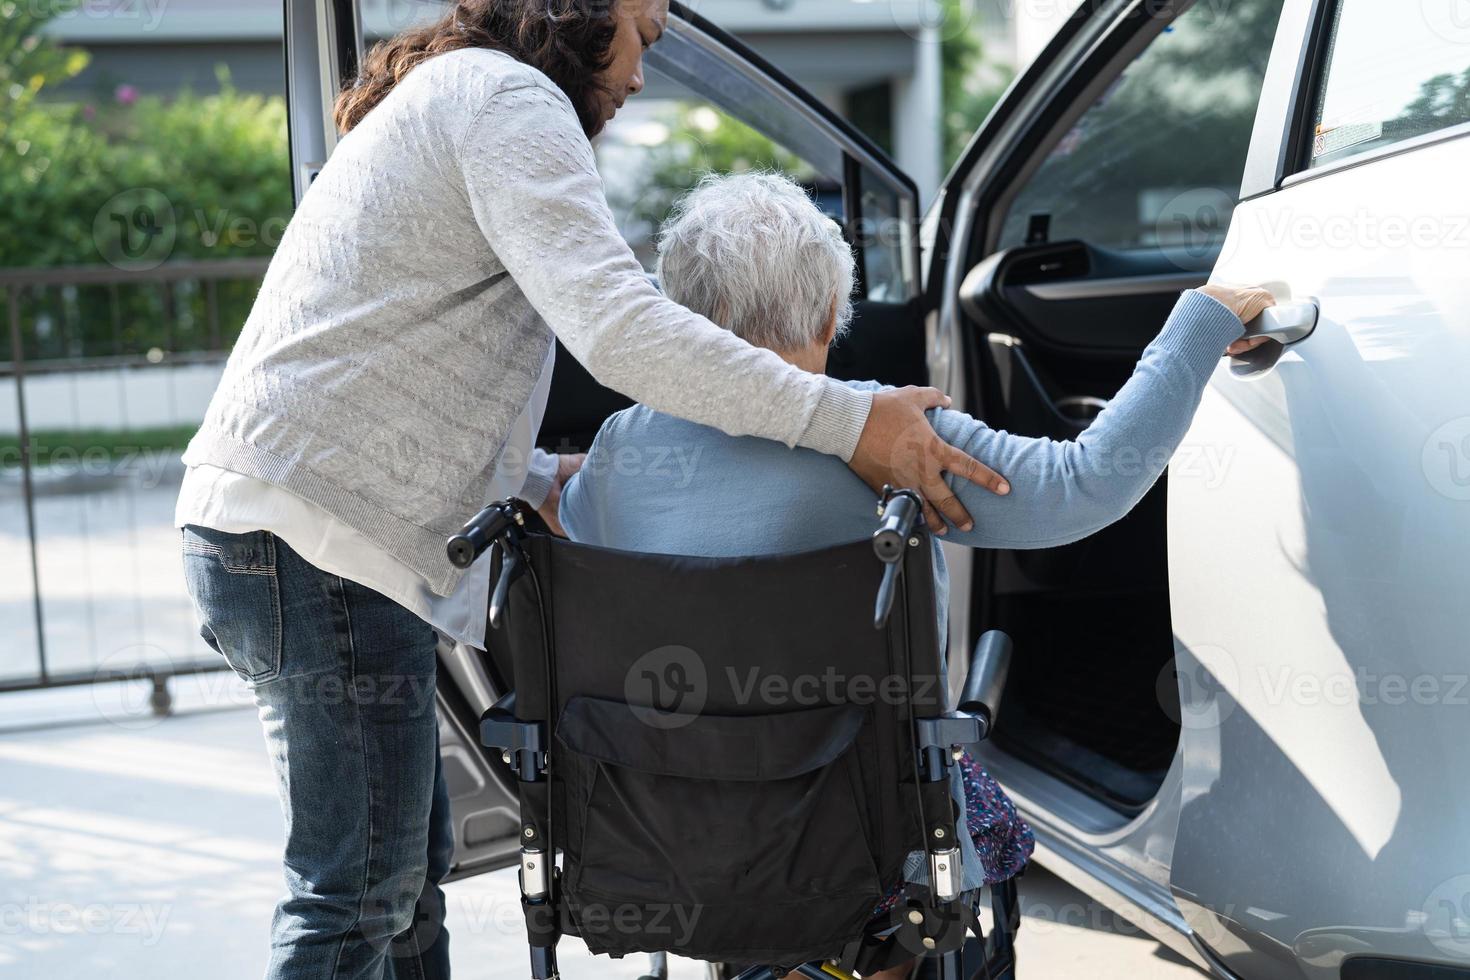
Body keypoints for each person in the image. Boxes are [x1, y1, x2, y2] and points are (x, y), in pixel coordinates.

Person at [175, 1, 1016, 976]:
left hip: (295, 532)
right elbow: (619, 330)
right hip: (317, 546)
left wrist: (538, 475)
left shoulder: (467, 92)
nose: (643, 73)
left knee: (402, 890)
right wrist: (850, 419)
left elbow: (407, 358)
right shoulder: (509, 96)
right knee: (355, 897)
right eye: (648, 35)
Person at [557, 172, 1275, 978]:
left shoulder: (624, 448)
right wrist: (1199, 323)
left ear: (679, 315)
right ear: (832, 313)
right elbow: (1086, 485)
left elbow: (576, 552)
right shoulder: (886, 435)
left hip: (673, 830)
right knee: (980, 806)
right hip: (869, 848)